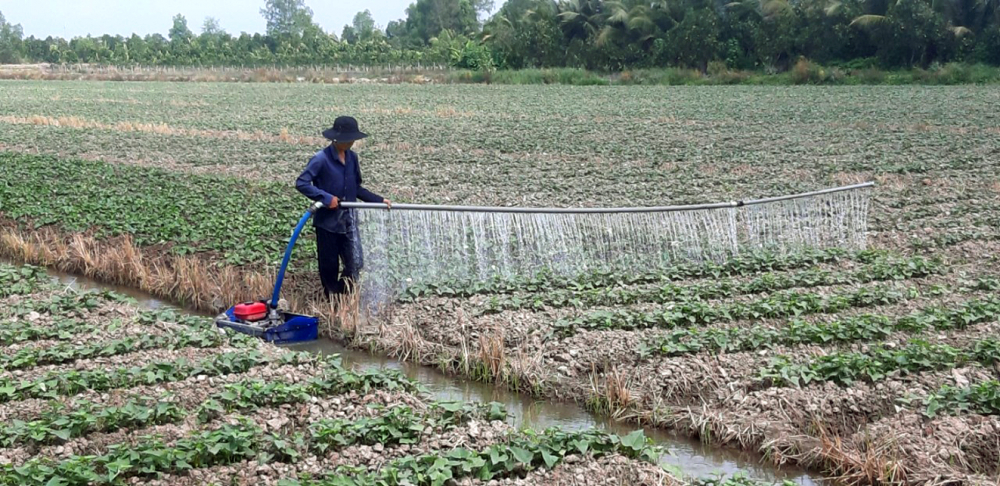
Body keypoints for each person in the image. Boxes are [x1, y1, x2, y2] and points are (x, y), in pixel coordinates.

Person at [295, 116, 391, 298]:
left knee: (356, 262)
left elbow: (357, 188)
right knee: (329, 266)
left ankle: (343, 295)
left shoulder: (352, 158)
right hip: (327, 223)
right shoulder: (320, 159)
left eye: (353, 139)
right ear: (336, 138)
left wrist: (378, 200)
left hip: (349, 221)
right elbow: (302, 183)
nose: (351, 142)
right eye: (348, 139)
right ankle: (333, 300)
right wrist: (326, 198)